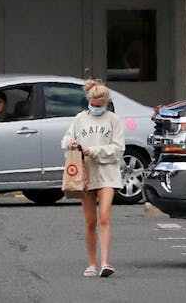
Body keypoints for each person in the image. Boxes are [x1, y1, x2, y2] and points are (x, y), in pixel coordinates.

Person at [60, 80, 125, 278]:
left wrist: (94, 151)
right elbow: (65, 141)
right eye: (93, 105)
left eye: (100, 106)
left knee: (104, 218)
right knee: (90, 221)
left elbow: (118, 149)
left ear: (106, 103)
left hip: (107, 174)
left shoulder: (114, 120)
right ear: (88, 101)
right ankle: (91, 263)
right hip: (85, 175)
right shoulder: (79, 119)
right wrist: (71, 144)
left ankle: (105, 262)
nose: (96, 109)